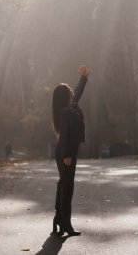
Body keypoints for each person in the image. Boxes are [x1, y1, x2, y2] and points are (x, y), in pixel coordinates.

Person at [52, 66, 90, 236]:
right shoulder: (66, 112)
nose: (71, 94)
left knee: (64, 184)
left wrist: (83, 78)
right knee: (67, 187)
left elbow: (77, 92)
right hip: (65, 152)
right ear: (64, 96)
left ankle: (59, 219)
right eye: (68, 92)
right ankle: (65, 222)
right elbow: (65, 134)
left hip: (66, 150)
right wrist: (67, 155)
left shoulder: (68, 107)